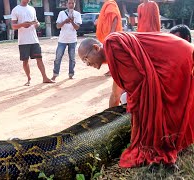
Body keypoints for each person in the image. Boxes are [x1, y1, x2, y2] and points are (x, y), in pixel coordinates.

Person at [77, 32, 194, 169]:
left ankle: (163, 148)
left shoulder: (113, 45)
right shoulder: (114, 53)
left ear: (96, 48)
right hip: (181, 53)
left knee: (164, 103)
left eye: (86, 58)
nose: (87, 64)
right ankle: (171, 141)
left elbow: (138, 85)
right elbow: (119, 92)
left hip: (176, 57)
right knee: (159, 102)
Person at [11, 0, 54, 86]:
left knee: (39, 58)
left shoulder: (32, 9)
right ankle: (29, 79)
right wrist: (22, 24)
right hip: (23, 40)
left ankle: (45, 77)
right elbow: (13, 26)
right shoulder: (16, 10)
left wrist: (36, 24)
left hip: (34, 39)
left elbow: (36, 21)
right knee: (25, 60)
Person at [51, 0, 82, 81]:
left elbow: (77, 28)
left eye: (72, 3)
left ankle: (71, 74)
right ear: (66, 4)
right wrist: (65, 21)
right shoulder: (61, 13)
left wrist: (71, 21)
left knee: (72, 58)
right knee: (58, 57)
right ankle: (55, 74)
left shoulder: (77, 14)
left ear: (74, 4)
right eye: (69, 3)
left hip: (72, 39)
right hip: (62, 39)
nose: (71, 5)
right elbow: (58, 26)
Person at [95, 0, 122, 76]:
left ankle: (114, 70)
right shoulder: (106, 5)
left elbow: (115, 18)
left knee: (112, 53)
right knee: (109, 53)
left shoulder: (111, 4)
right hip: (107, 34)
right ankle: (111, 69)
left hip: (111, 34)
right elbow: (105, 20)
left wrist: (112, 33)